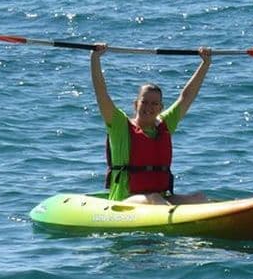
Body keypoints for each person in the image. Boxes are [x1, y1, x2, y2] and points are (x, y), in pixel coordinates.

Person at [90, 44, 212, 205]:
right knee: (153, 198)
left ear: (161, 108)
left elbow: (187, 96)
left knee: (199, 198)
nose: (149, 107)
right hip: (125, 201)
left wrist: (205, 64)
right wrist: (95, 59)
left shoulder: (166, 124)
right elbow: (101, 93)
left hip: (160, 199)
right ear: (135, 104)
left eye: (154, 104)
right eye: (144, 102)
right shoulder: (119, 125)